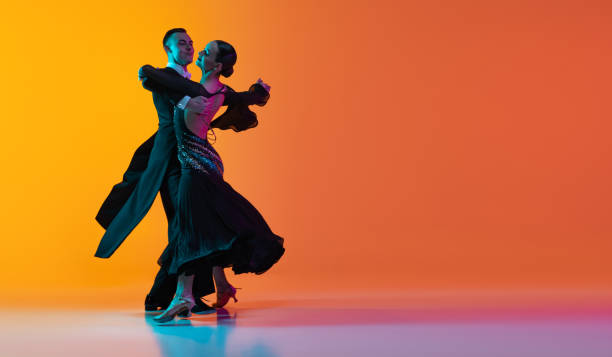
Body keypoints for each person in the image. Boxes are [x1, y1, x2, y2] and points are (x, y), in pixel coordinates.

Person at [95, 29, 264, 315]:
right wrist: (191, 96)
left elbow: (224, 97)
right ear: (167, 49)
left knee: (193, 223)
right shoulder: (163, 76)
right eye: (181, 44)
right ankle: (172, 296)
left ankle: (188, 294)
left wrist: (255, 94)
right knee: (186, 225)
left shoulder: (196, 81)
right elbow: (148, 75)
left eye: (191, 43)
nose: (188, 48)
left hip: (191, 160)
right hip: (171, 161)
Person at [150, 40, 285, 323]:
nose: (200, 52)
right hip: (205, 162)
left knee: (191, 228)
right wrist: (257, 93)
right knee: (205, 226)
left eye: (206, 53)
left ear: (217, 65)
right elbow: (246, 99)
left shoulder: (199, 91)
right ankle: (215, 286)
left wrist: (256, 94)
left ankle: (183, 297)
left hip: (196, 165)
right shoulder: (219, 91)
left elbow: (151, 75)